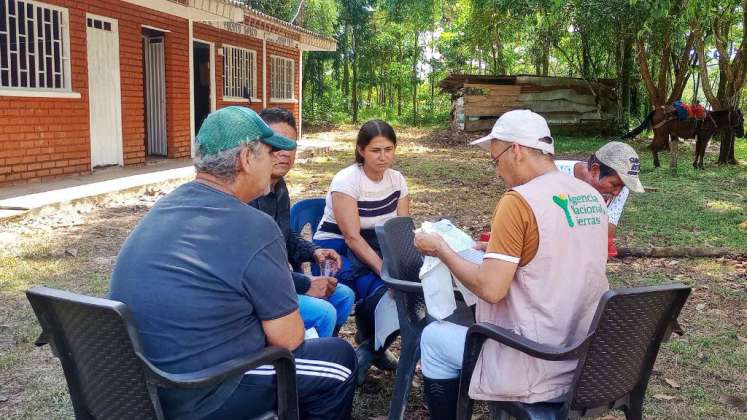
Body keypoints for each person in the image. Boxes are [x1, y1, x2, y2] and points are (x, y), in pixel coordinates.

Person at [109, 106, 356, 420]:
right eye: (270, 151)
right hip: (203, 392)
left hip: (139, 389)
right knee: (339, 360)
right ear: (246, 159)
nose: (276, 158)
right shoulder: (254, 226)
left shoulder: (163, 208)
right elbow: (289, 338)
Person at [413, 110, 610, 420]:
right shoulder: (591, 196)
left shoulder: (518, 201)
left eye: (496, 160)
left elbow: (491, 289)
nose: (497, 171)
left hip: (535, 359)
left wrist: (442, 249)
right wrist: (499, 249)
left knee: (434, 339)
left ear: (516, 150)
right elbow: (562, 253)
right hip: (587, 355)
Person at [312, 119, 409, 383]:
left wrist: (400, 270)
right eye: (375, 150)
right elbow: (352, 237)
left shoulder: (397, 180)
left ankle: (371, 347)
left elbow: (401, 231)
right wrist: (387, 272)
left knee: (400, 294)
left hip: (376, 243)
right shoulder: (347, 180)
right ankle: (338, 357)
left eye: (389, 149)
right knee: (374, 287)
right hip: (337, 246)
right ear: (361, 150)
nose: (383, 157)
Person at [250, 107, 355, 338]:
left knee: (345, 296)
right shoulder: (247, 193)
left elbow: (285, 235)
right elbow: (255, 270)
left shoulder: (279, 187)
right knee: (324, 313)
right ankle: (306, 364)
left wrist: (314, 251)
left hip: (280, 281)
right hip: (259, 291)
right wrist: (305, 283)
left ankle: (325, 346)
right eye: (275, 145)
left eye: (290, 145)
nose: (284, 153)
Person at [554, 141, 644, 257]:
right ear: (595, 170)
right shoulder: (553, 174)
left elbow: (606, 231)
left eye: (623, 187)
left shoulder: (621, 189)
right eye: (614, 184)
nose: (617, 192)